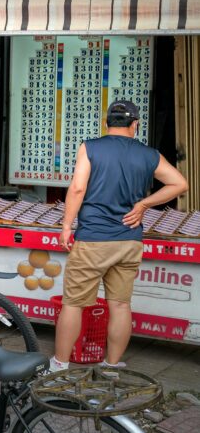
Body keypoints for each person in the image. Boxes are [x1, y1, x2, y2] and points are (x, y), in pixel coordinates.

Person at [52, 100, 187, 371]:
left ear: (106, 123)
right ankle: (112, 366)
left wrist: (66, 225)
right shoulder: (148, 154)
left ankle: (59, 365)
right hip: (129, 240)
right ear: (135, 124)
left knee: (74, 305)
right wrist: (144, 204)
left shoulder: (91, 147)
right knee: (121, 305)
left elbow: (77, 189)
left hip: (93, 239)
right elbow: (179, 183)